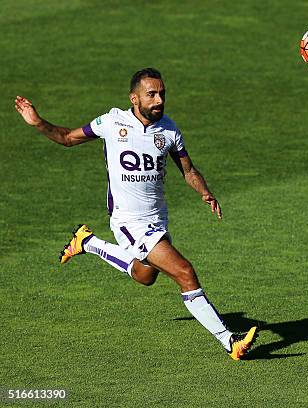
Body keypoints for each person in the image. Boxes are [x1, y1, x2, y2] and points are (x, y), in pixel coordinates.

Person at [14, 68, 257, 360]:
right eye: (151, 94)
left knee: (145, 275)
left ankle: (87, 242)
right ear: (134, 98)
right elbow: (67, 137)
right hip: (128, 221)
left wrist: (205, 192)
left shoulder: (169, 130)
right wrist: (37, 122)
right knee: (184, 272)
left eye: (162, 94)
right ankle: (230, 341)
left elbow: (188, 171)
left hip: (157, 220)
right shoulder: (112, 121)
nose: (159, 100)